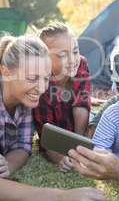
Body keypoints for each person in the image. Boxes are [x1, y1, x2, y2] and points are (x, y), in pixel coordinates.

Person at [0, 35, 105, 200]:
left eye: (46, 79)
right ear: (6, 73)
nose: (41, 88)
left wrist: (8, 165)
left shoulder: (25, 97)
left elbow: (23, 145)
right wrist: (60, 197)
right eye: (32, 78)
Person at [34, 23, 91, 172]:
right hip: (54, 132)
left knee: (99, 121)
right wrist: (62, 158)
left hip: (79, 127)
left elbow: (82, 106)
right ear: (44, 58)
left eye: (75, 52)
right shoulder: (42, 84)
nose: (72, 60)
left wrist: (79, 146)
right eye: (62, 55)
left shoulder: (81, 64)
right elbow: (47, 137)